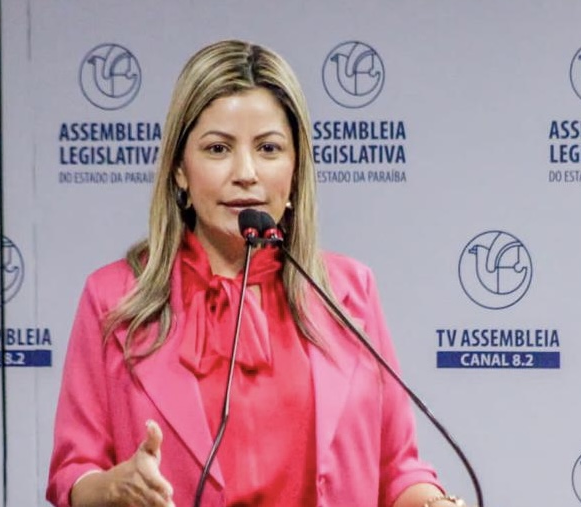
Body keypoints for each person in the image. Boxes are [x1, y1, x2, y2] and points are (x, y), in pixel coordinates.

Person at [46, 39, 466, 507]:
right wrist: (112, 489)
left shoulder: (351, 292)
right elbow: (73, 472)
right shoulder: (113, 297)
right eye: (218, 148)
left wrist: (434, 503)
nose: (246, 172)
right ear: (180, 169)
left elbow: (398, 470)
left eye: (268, 148)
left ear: (295, 168)